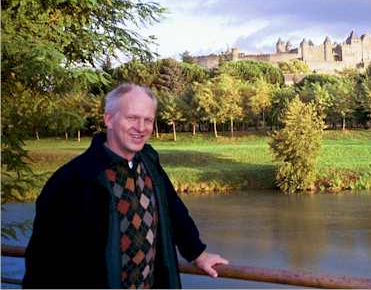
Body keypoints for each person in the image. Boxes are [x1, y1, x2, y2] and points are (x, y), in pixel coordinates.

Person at [23, 83, 228, 288]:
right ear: (109, 119)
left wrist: (198, 253)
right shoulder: (74, 179)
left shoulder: (149, 164)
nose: (141, 127)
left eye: (147, 120)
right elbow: (43, 258)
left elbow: (174, 210)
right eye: (132, 118)